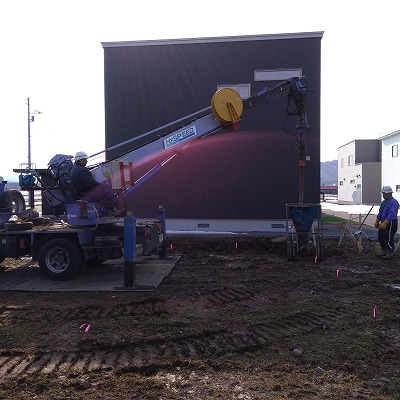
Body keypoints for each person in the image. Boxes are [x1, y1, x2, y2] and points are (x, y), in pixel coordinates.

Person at [70, 151, 125, 217]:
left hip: (81, 193)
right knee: (105, 193)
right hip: (85, 194)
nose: (86, 161)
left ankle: (108, 210)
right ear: (81, 160)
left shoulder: (74, 169)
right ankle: (114, 211)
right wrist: (101, 185)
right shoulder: (82, 170)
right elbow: (90, 184)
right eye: (85, 160)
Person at [374, 186, 399, 259]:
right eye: (383, 194)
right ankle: (384, 251)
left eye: (384, 193)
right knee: (381, 237)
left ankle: (390, 253)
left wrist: (386, 222)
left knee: (388, 238)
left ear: (390, 193)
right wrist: (377, 220)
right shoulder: (383, 202)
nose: (383, 195)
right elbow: (380, 212)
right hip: (383, 222)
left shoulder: (394, 202)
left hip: (390, 223)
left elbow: (392, 213)